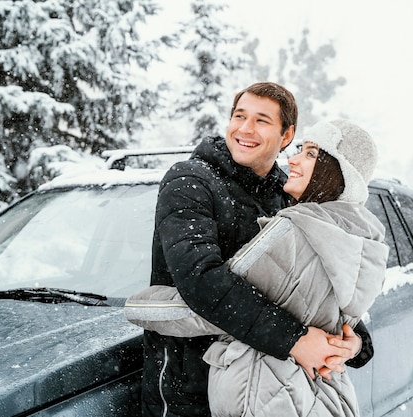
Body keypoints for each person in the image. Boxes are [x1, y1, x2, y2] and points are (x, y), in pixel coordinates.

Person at [140, 82, 373, 417]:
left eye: (262, 120)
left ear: (286, 134)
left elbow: (315, 287)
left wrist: (353, 342)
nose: (245, 129)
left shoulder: (288, 197)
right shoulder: (191, 182)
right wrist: (296, 339)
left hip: (265, 388)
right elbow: (201, 280)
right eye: (239, 116)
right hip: (189, 388)